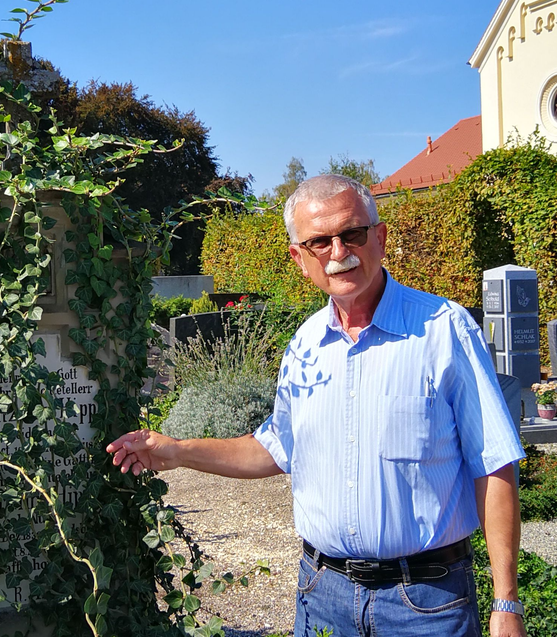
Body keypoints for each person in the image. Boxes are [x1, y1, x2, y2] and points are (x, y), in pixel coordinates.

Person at [107, 174, 527, 637]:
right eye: (319, 241)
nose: (338, 252)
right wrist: (178, 451)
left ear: (380, 237)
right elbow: (275, 449)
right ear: (299, 258)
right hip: (323, 595)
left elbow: (494, 464)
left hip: (425, 604)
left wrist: (506, 601)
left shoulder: (444, 331)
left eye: (352, 233)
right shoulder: (305, 346)